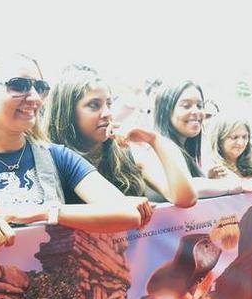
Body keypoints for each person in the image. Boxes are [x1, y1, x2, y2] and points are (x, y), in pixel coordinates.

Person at [0, 54, 153, 252]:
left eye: (40, 88)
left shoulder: (57, 156)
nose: (35, 98)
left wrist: (44, 212)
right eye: (18, 85)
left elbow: (127, 213)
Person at [44, 67, 197, 207]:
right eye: (94, 105)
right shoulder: (48, 161)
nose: (107, 113)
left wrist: (154, 140)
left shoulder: (127, 153)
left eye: (109, 104)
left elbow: (185, 199)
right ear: (67, 113)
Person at [152, 81, 250, 197]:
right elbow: (182, 189)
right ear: (166, 110)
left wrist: (208, 179)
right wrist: (230, 185)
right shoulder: (154, 148)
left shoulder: (190, 153)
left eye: (200, 106)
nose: (197, 112)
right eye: (186, 106)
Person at [204, 116, 252, 193]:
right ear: (219, 140)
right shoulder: (213, 169)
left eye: (244, 137)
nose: (241, 143)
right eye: (234, 137)